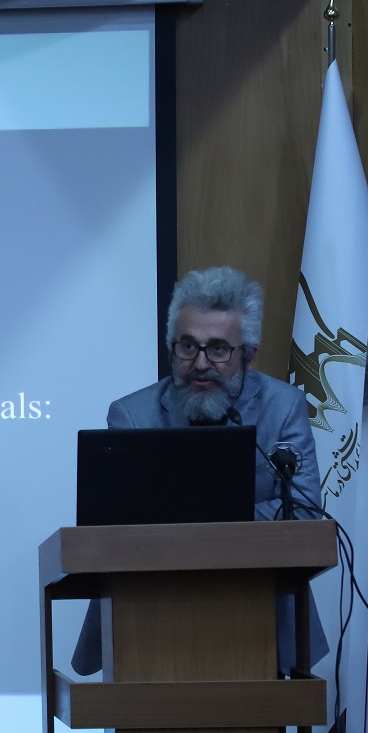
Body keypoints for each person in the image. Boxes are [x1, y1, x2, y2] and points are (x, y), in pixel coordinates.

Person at [72, 267, 326, 674]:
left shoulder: (282, 408)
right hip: (148, 622)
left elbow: (305, 510)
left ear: (248, 354)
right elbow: (116, 526)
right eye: (187, 346)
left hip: (261, 619)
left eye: (219, 349)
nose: (200, 363)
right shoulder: (133, 416)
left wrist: (198, 525)